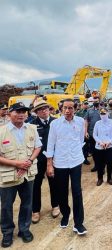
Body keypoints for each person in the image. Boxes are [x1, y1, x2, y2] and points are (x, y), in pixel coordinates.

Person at [0, 102, 42, 247]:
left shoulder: (31, 128)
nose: (21, 114)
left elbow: (38, 146)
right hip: (8, 175)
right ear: (9, 113)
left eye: (24, 111)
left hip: (27, 173)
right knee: (6, 206)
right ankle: (7, 233)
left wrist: (29, 161)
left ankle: (24, 229)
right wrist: (17, 164)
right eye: (17, 111)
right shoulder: (1, 131)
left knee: (27, 204)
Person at [46, 99, 87, 235]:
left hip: (75, 161)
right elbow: (50, 144)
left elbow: (81, 140)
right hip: (61, 163)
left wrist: (76, 153)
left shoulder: (80, 121)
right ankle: (65, 214)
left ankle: (79, 223)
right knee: (62, 192)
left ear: (75, 109)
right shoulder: (55, 124)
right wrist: (49, 164)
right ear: (61, 109)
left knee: (77, 191)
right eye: (65, 108)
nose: (68, 111)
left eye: (71, 108)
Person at [30, 100, 59, 224]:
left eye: (46, 108)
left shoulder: (56, 122)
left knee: (54, 183)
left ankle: (55, 205)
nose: (44, 110)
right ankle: (35, 210)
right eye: (41, 109)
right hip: (38, 159)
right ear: (36, 112)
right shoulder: (31, 125)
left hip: (54, 159)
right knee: (36, 186)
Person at [93, 108, 112, 186]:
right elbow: (94, 135)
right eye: (101, 114)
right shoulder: (97, 123)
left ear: (108, 114)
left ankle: (109, 178)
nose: (103, 116)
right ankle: (100, 178)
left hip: (110, 146)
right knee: (99, 164)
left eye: (104, 114)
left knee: (109, 163)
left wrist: (109, 142)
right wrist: (100, 142)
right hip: (99, 147)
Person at [84, 99, 101, 172]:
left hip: (100, 135)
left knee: (100, 151)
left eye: (97, 100)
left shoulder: (103, 110)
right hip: (91, 133)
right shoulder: (89, 110)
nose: (95, 102)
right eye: (94, 100)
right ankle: (96, 166)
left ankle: (101, 167)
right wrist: (86, 132)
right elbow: (86, 121)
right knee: (94, 151)